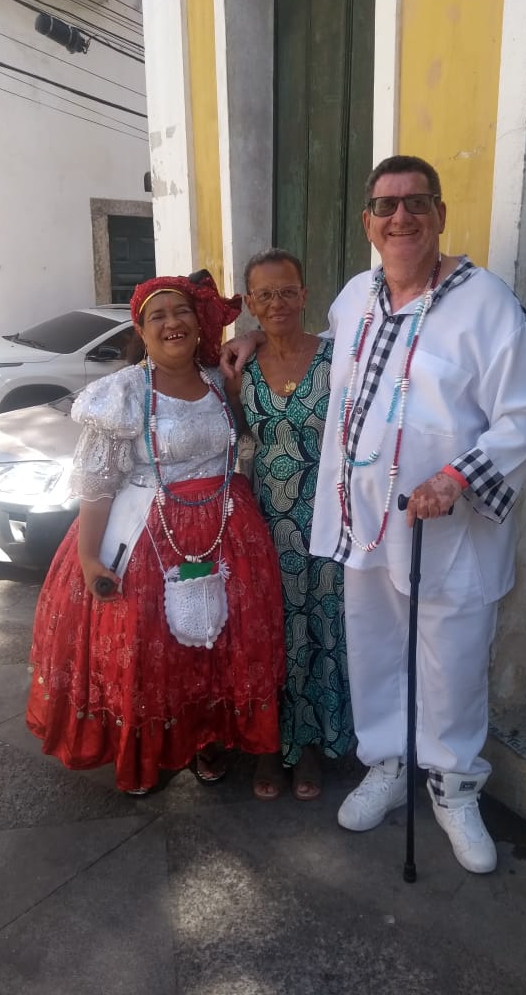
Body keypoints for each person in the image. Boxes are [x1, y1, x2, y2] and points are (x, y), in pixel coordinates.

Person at [222, 156, 526, 873]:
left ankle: (455, 788)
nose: (400, 217)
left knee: (452, 660)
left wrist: (456, 477)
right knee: (373, 646)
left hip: (446, 527)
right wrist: (254, 340)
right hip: (365, 522)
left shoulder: (488, 305)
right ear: (368, 223)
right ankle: (387, 764)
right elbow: (326, 362)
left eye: (415, 203)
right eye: (386, 205)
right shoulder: (354, 297)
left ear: (439, 215)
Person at [27, 271, 286, 794]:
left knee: (216, 646)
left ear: (199, 323)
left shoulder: (221, 380)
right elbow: (98, 483)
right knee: (153, 654)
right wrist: (89, 558)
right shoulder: (121, 394)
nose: (173, 323)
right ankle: (149, 754)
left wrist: (255, 334)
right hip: (148, 536)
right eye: (158, 317)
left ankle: (208, 740)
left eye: (182, 311)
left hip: (227, 531)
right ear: (141, 333)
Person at [225, 248, 353, 802]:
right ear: (250, 304)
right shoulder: (240, 370)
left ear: (304, 296)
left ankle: (309, 748)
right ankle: (267, 746)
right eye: (264, 294)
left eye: (286, 291)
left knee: (321, 632)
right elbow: (233, 438)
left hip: (326, 523)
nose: (276, 302)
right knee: (270, 635)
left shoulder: (338, 358)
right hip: (265, 526)